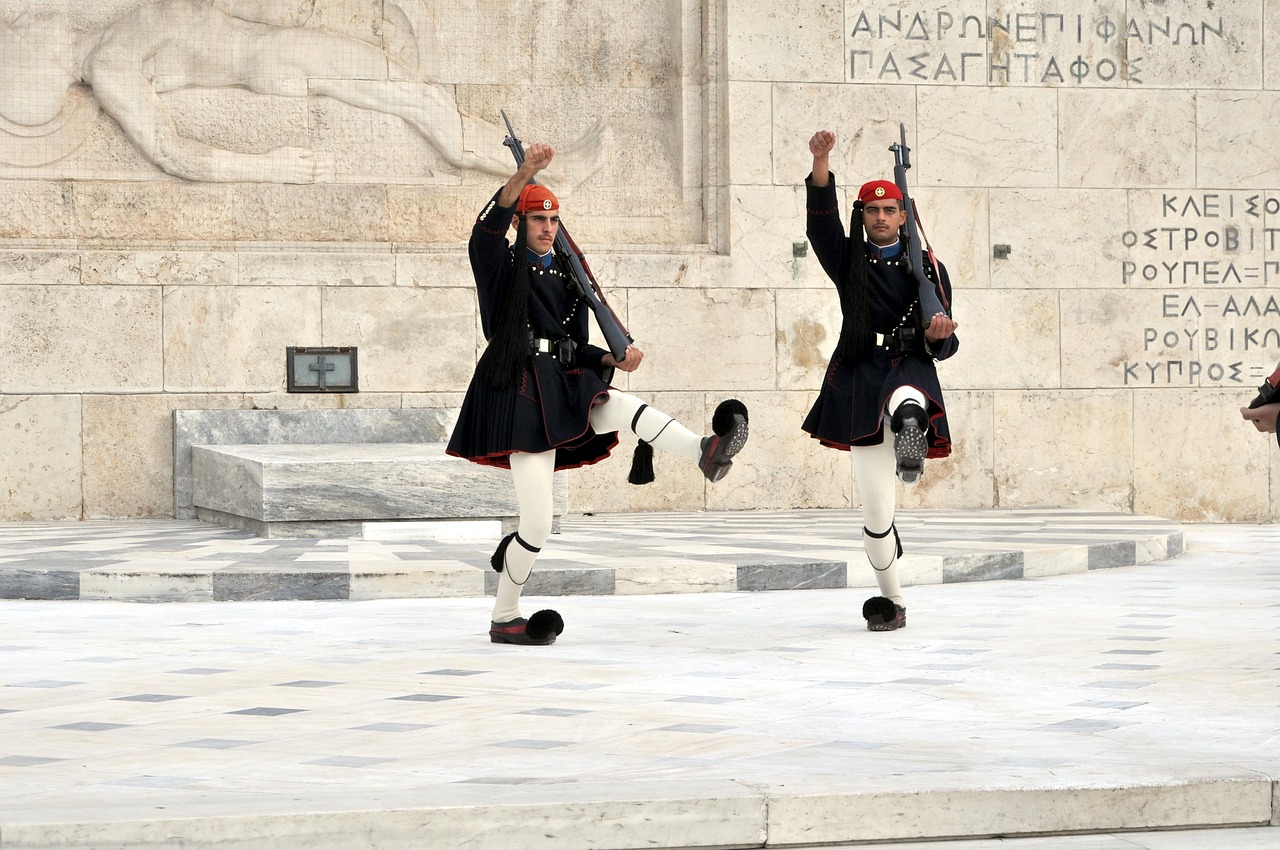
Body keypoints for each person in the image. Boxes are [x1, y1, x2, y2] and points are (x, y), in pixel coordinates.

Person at [447, 142, 749, 646]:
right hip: (520, 393)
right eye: (537, 219)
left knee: (627, 409)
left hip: (565, 383)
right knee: (538, 525)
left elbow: (574, 345)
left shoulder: (568, 274)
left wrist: (609, 359)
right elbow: (484, 232)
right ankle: (505, 615)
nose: (547, 227)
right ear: (521, 223)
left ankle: (706, 450)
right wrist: (522, 175)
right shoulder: (499, 266)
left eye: (553, 219)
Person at [0, 1, 603, 186]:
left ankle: (535, 168)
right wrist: (272, 166)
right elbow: (174, 153)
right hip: (279, 58)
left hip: (280, 47)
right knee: (424, 106)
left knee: (419, 101)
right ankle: (547, 171)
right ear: (41, 63)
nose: (28, 17)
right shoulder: (110, 64)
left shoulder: (113, 35)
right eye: (22, 32)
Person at [801, 129, 959, 633]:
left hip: (909, 365)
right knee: (876, 515)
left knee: (909, 398)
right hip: (859, 377)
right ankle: (891, 600)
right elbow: (821, 223)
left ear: (903, 216)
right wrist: (822, 160)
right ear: (864, 217)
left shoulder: (930, 269)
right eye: (873, 211)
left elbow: (948, 345)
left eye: (891, 210)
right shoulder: (848, 261)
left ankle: (912, 437)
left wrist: (937, 336)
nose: (882, 218)